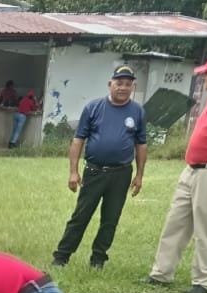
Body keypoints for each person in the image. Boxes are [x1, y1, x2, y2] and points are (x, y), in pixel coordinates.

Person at [145, 51, 207, 293]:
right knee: (175, 223)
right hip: (192, 170)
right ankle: (161, 273)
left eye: (206, 73)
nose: (203, 77)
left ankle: (203, 281)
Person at [51, 65, 147, 270]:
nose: (123, 87)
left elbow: (141, 144)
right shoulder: (93, 107)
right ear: (110, 84)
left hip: (121, 173)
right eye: (119, 83)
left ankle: (98, 259)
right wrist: (73, 171)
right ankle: (61, 257)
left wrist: (139, 175)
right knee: (80, 216)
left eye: (128, 84)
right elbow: (78, 140)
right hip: (95, 171)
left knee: (111, 219)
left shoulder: (137, 111)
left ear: (133, 86)